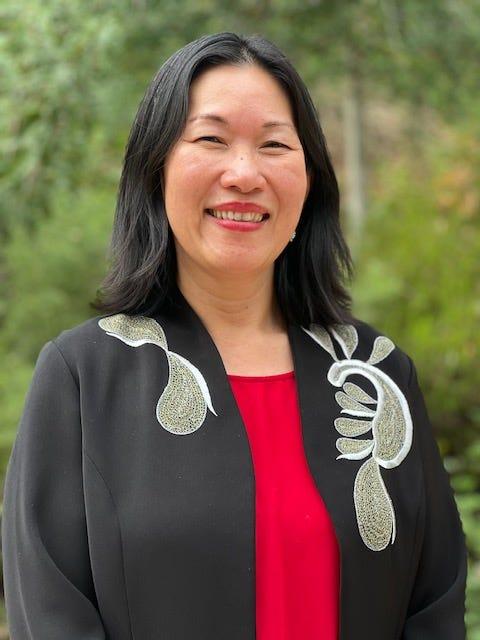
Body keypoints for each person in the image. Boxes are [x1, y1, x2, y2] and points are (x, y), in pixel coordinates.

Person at [1, 32, 467, 640]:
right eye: (211, 140)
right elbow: (50, 614)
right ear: (155, 170)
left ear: (309, 180)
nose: (245, 174)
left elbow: (434, 607)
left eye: (274, 145)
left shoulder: (379, 375)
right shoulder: (83, 376)